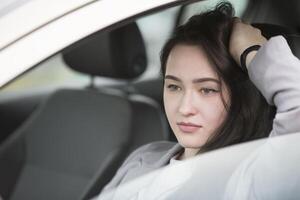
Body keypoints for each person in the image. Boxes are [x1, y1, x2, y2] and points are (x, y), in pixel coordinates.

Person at [95, 2, 300, 199]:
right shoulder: (145, 157)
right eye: (174, 87)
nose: (184, 108)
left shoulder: (255, 179)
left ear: (242, 97)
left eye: (207, 90)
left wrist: (253, 53)